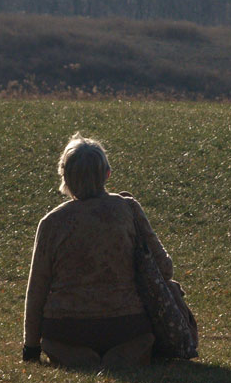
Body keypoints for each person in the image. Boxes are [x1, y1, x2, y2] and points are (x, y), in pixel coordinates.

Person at [22, 133, 174, 367]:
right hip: (126, 326)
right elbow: (165, 269)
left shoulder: (51, 223)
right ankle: (123, 353)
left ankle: (76, 354)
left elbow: (37, 291)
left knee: (57, 343)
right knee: (165, 304)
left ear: (65, 177)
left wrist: (31, 348)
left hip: (68, 329)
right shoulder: (128, 210)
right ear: (107, 174)